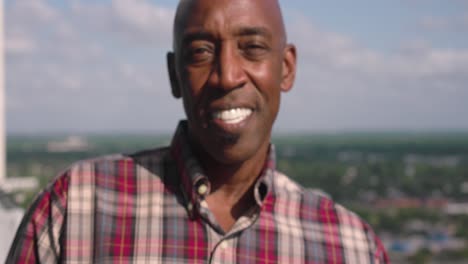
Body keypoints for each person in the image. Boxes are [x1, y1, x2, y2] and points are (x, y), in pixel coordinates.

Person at [7, 0, 389, 263]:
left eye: (252, 48)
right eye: (201, 52)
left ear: (286, 68)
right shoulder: (76, 209)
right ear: (175, 75)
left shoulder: (350, 246)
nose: (227, 75)